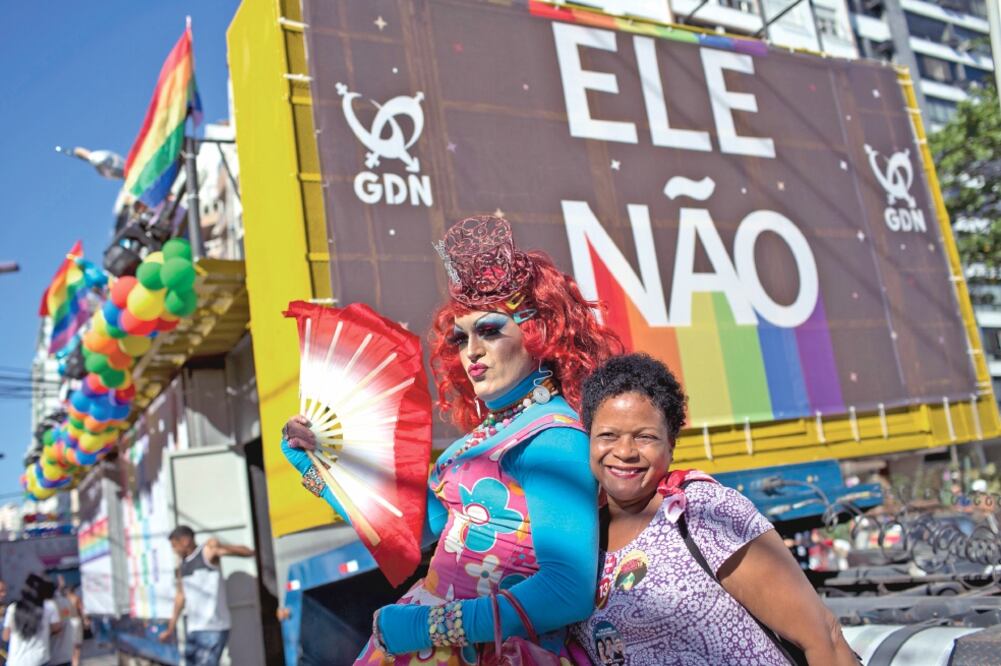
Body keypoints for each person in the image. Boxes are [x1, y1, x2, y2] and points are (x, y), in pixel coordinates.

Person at [283, 215, 622, 664]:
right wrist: (319, 468)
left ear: (541, 334)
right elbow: (422, 530)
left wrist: (431, 626)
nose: (471, 353)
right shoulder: (495, 431)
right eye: (461, 338)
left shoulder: (554, 437)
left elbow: (566, 590)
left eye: (489, 330)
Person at [572, 354, 858, 665]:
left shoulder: (704, 512)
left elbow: (823, 636)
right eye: (608, 436)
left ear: (671, 445)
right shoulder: (582, 538)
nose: (625, 451)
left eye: (645, 437)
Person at [158, 525, 255, 666]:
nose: (174, 550)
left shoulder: (207, 553)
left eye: (175, 545)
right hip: (193, 629)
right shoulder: (182, 565)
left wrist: (220, 545)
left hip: (213, 627)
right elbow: (180, 596)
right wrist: (170, 628)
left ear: (185, 541)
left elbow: (247, 552)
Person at [1, 574, 62, 666]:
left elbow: (5, 636)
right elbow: (57, 627)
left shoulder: (13, 608)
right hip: (39, 660)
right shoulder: (49, 606)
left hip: (15, 661)